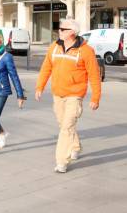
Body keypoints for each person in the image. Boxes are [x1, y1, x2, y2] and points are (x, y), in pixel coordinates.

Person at [35, 18, 101, 173]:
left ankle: (62, 161)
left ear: (72, 32)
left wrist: (95, 97)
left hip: (75, 95)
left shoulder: (86, 51)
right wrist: (40, 87)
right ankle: (76, 146)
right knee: (63, 124)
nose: (59, 31)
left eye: (62, 29)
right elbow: (46, 68)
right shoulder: (54, 47)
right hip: (57, 94)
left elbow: (94, 76)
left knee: (66, 127)